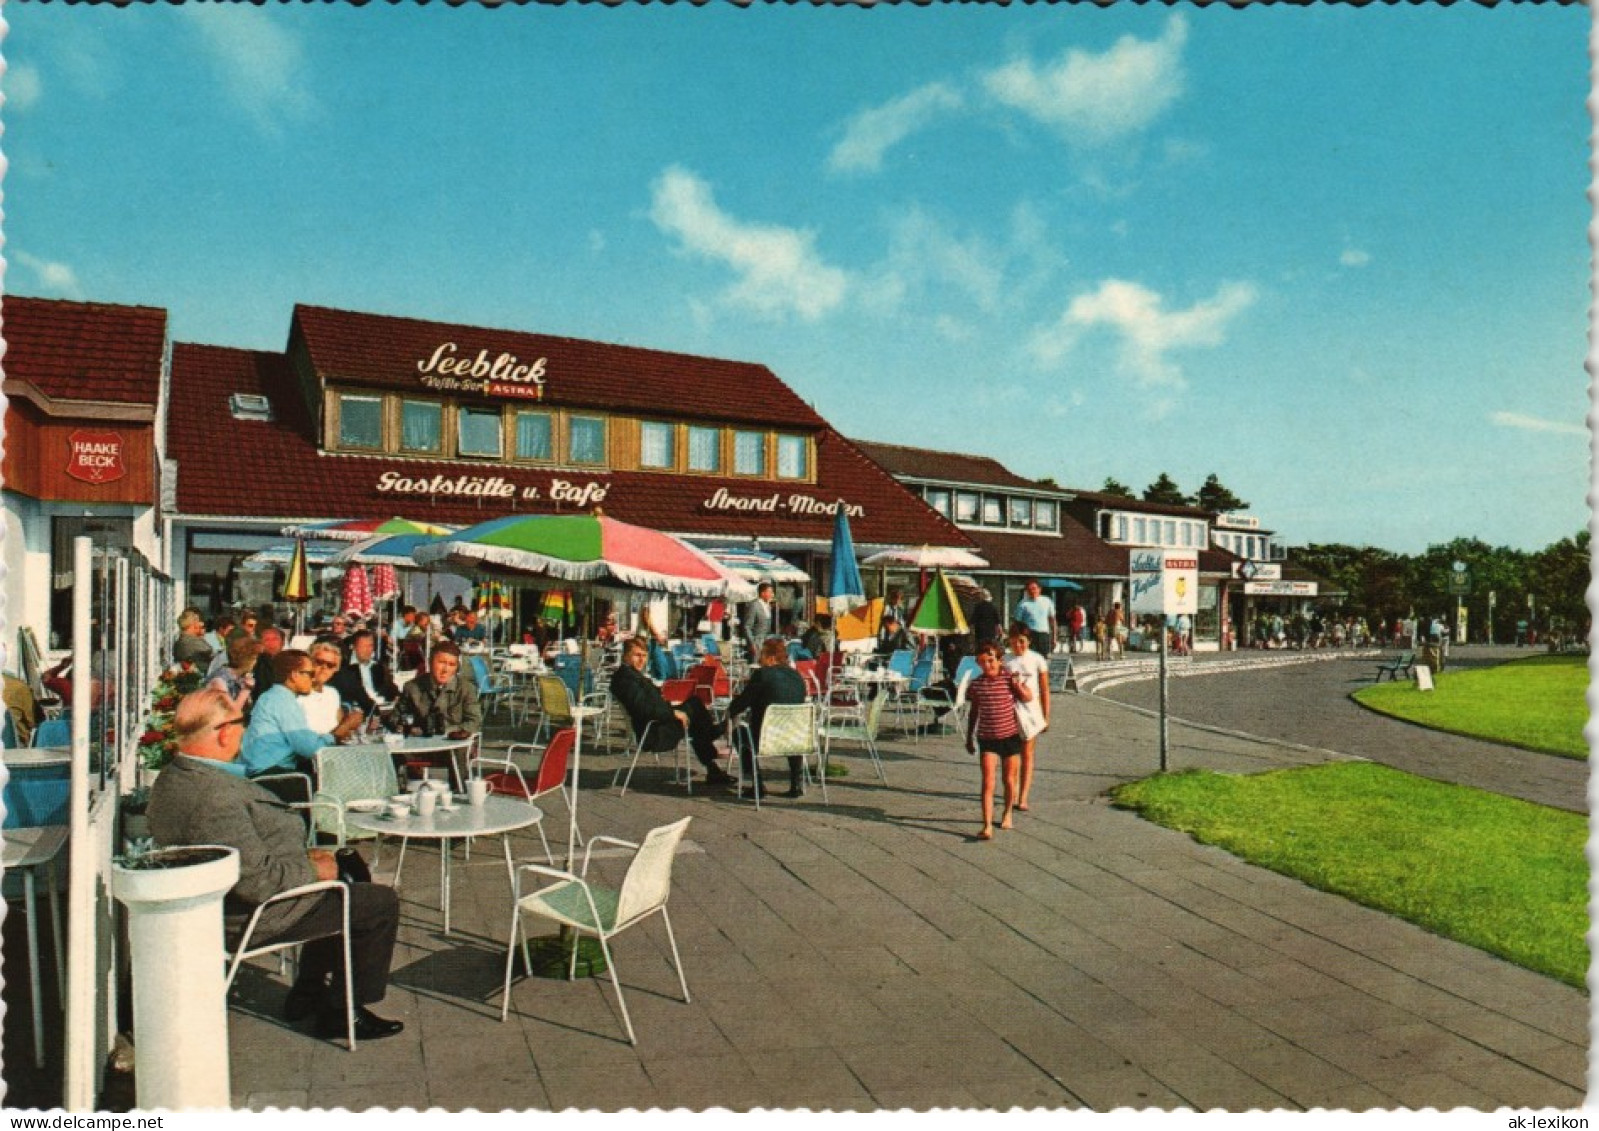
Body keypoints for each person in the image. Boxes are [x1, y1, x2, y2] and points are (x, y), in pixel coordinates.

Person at [149, 688, 403, 1043]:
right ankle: (344, 1009)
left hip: (226, 901)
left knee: (349, 866)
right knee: (378, 904)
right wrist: (314, 869)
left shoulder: (177, 776)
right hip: (254, 914)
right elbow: (258, 883)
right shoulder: (214, 798)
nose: (245, 732)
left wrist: (306, 858)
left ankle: (310, 991)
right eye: (242, 723)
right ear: (224, 732)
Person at [611, 638, 734, 786]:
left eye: (644, 656)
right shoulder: (625, 680)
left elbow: (650, 704)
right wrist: (673, 712)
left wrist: (671, 704)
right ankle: (712, 739)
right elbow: (645, 709)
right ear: (626, 656)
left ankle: (713, 767)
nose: (641, 660)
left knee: (694, 707)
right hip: (654, 732)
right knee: (694, 711)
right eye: (637, 655)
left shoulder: (630, 675)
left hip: (657, 722)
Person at [240, 650, 364, 777]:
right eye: (310, 674)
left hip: (267, 770)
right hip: (272, 774)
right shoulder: (283, 701)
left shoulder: (272, 696)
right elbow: (312, 749)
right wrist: (343, 728)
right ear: (294, 675)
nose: (313, 678)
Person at [725, 637, 809, 798]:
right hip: (797, 738)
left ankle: (757, 783)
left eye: (761, 655)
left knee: (739, 734)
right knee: (790, 725)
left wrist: (730, 712)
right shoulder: (797, 676)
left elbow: (740, 704)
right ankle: (796, 784)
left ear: (771, 657)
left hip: (767, 738)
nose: (759, 660)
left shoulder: (762, 674)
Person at [964, 642, 1031, 841]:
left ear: (1000, 660)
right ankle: (986, 825)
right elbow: (974, 712)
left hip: (1010, 737)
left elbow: (1028, 697)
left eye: (991, 661)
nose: (987, 666)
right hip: (987, 739)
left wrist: (1018, 686)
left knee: (1009, 781)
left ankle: (1008, 811)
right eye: (982, 663)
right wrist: (969, 737)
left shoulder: (1009, 678)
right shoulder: (977, 684)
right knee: (988, 783)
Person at [1004, 624, 1050, 813]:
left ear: (1028, 641)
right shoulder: (1005, 660)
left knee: (1027, 754)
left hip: (1031, 711)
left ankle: (1023, 796)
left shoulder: (1037, 660)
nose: (1018, 646)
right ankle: (1012, 791)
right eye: (1014, 642)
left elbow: (1045, 689)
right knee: (1011, 755)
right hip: (1010, 711)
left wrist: (1046, 716)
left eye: (1021, 641)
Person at [396, 641, 481, 739]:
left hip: (453, 745)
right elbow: (397, 718)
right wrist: (409, 728)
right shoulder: (412, 687)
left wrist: (446, 731)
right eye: (441, 662)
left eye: (451, 664)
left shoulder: (466, 689)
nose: (445, 670)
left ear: (457, 668)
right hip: (419, 745)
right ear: (430, 662)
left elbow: (474, 721)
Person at [333, 629, 400, 719]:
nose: (368, 650)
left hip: (383, 708)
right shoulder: (345, 668)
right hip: (359, 711)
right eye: (363, 646)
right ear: (353, 647)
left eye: (370, 646)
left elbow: (390, 688)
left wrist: (396, 695)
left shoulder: (378, 666)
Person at [302, 641, 352, 735]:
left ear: (335, 670)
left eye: (330, 665)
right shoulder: (297, 695)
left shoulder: (332, 694)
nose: (324, 667)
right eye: (319, 662)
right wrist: (346, 726)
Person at [208, 633, 262, 718]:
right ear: (247, 660)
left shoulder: (240, 677)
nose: (255, 662)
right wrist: (247, 689)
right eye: (254, 658)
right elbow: (232, 712)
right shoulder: (219, 681)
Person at [1012, 579, 1057, 657]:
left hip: (1043, 634)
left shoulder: (1047, 601)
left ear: (1039, 589)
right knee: (1029, 658)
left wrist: (1054, 637)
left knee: (1044, 658)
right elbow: (1017, 623)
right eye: (1029, 590)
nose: (1032, 591)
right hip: (1029, 635)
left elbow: (1053, 621)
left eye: (1034, 589)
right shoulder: (1023, 604)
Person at [741, 582, 775, 661]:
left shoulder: (768, 606)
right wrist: (752, 643)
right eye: (769, 592)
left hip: (766, 642)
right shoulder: (754, 605)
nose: (772, 594)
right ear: (762, 593)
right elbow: (747, 626)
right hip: (756, 642)